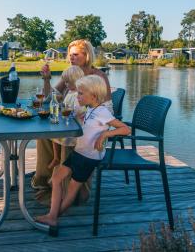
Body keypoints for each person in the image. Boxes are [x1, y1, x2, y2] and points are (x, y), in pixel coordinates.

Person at [35, 75, 130, 226]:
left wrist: (105, 134)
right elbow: (90, 126)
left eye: (80, 93)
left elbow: (126, 129)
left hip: (88, 157)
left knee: (72, 189)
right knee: (56, 178)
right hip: (79, 152)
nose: (77, 96)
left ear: (93, 95)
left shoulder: (102, 112)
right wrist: (80, 118)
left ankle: (53, 217)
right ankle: (52, 215)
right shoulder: (90, 109)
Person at [32, 39, 113, 191]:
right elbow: (52, 97)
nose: (71, 58)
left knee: (65, 136)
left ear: (87, 55)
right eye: (70, 55)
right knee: (43, 135)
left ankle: (67, 187)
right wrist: (47, 79)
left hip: (91, 129)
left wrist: (88, 117)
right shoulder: (71, 73)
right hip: (72, 122)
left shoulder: (99, 76)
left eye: (75, 54)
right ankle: (45, 178)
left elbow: (107, 109)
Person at [48, 65, 85, 170]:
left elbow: (79, 111)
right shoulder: (70, 91)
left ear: (75, 81)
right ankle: (56, 157)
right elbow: (65, 104)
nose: (65, 84)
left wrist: (68, 111)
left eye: (67, 82)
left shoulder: (78, 95)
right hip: (68, 122)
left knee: (59, 135)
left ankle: (61, 163)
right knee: (53, 135)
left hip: (75, 127)